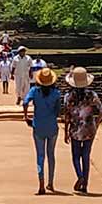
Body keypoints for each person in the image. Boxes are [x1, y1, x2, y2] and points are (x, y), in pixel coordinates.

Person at [62, 67, 102, 193]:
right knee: (86, 156)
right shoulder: (92, 95)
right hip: (89, 128)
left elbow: (67, 116)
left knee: (76, 156)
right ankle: (85, 184)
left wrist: (66, 132)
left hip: (75, 128)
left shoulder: (68, 96)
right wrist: (96, 123)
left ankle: (80, 176)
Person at [23, 66, 64, 194]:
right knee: (51, 155)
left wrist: (26, 116)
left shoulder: (35, 91)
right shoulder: (56, 93)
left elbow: (25, 102)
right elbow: (58, 111)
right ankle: (50, 183)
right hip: (52, 126)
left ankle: (41, 182)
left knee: (40, 156)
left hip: (38, 125)